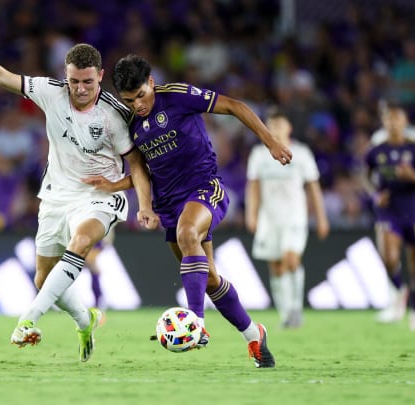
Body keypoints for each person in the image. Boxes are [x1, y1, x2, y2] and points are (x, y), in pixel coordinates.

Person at [0, 29, 153, 362]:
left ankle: (26, 321)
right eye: (73, 82)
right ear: (64, 76)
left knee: (82, 242)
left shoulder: (115, 115)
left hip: (100, 196)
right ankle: (87, 321)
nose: (80, 89)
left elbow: (138, 163)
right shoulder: (50, 92)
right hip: (56, 197)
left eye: (87, 82)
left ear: (100, 76)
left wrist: (144, 202)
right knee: (43, 278)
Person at [93, 54, 292, 368]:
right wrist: (120, 188)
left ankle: (195, 322)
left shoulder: (177, 96)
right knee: (210, 280)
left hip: (204, 187)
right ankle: (255, 335)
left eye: (142, 96)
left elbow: (235, 106)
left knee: (188, 234)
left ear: (151, 83)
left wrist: (270, 141)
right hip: (168, 204)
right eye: (130, 100)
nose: (138, 105)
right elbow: (143, 169)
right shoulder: (129, 121)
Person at [246, 110, 329, 329]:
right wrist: (251, 214)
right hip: (269, 218)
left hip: (294, 216)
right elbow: (253, 186)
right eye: (271, 126)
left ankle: (295, 309)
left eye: (280, 125)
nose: (276, 130)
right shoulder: (258, 154)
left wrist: (321, 218)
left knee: (290, 259)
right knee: (276, 266)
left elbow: (313, 187)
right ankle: (284, 313)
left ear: (289, 128)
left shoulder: (301, 153)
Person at [365, 102, 415, 331]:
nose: (393, 124)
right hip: (389, 210)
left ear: (405, 122)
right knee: (389, 258)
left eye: (397, 119)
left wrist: (413, 175)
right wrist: (375, 194)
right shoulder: (377, 150)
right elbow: (365, 176)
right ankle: (401, 290)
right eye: (389, 119)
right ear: (384, 123)